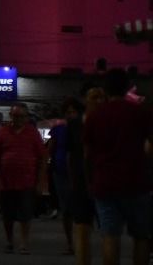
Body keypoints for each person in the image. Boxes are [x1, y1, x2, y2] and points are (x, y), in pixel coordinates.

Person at [81, 68, 152, 265]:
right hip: (137, 182)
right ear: (127, 87)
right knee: (141, 236)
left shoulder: (94, 116)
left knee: (110, 236)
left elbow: (87, 154)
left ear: (105, 89)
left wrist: (90, 181)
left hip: (105, 183)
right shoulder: (140, 113)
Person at [0, 101, 48, 254]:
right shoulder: (3, 132)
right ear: (10, 116)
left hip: (27, 181)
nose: (18, 119)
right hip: (6, 181)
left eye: (21, 116)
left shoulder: (32, 133)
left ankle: (24, 242)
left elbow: (42, 158)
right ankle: (9, 240)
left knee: (25, 214)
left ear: (26, 117)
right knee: (7, 214)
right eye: (15, 116)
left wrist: (41, 182)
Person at [58, 98, 93, 265]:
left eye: (72, 112)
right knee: (67, 210)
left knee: (82, 214)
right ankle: (71, 243)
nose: (69, 115)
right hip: (66, 173)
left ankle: (80, 246)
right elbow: (65, 152)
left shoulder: (83, 126)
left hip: (81, 174)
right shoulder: (63, 128)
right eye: (67, 112)